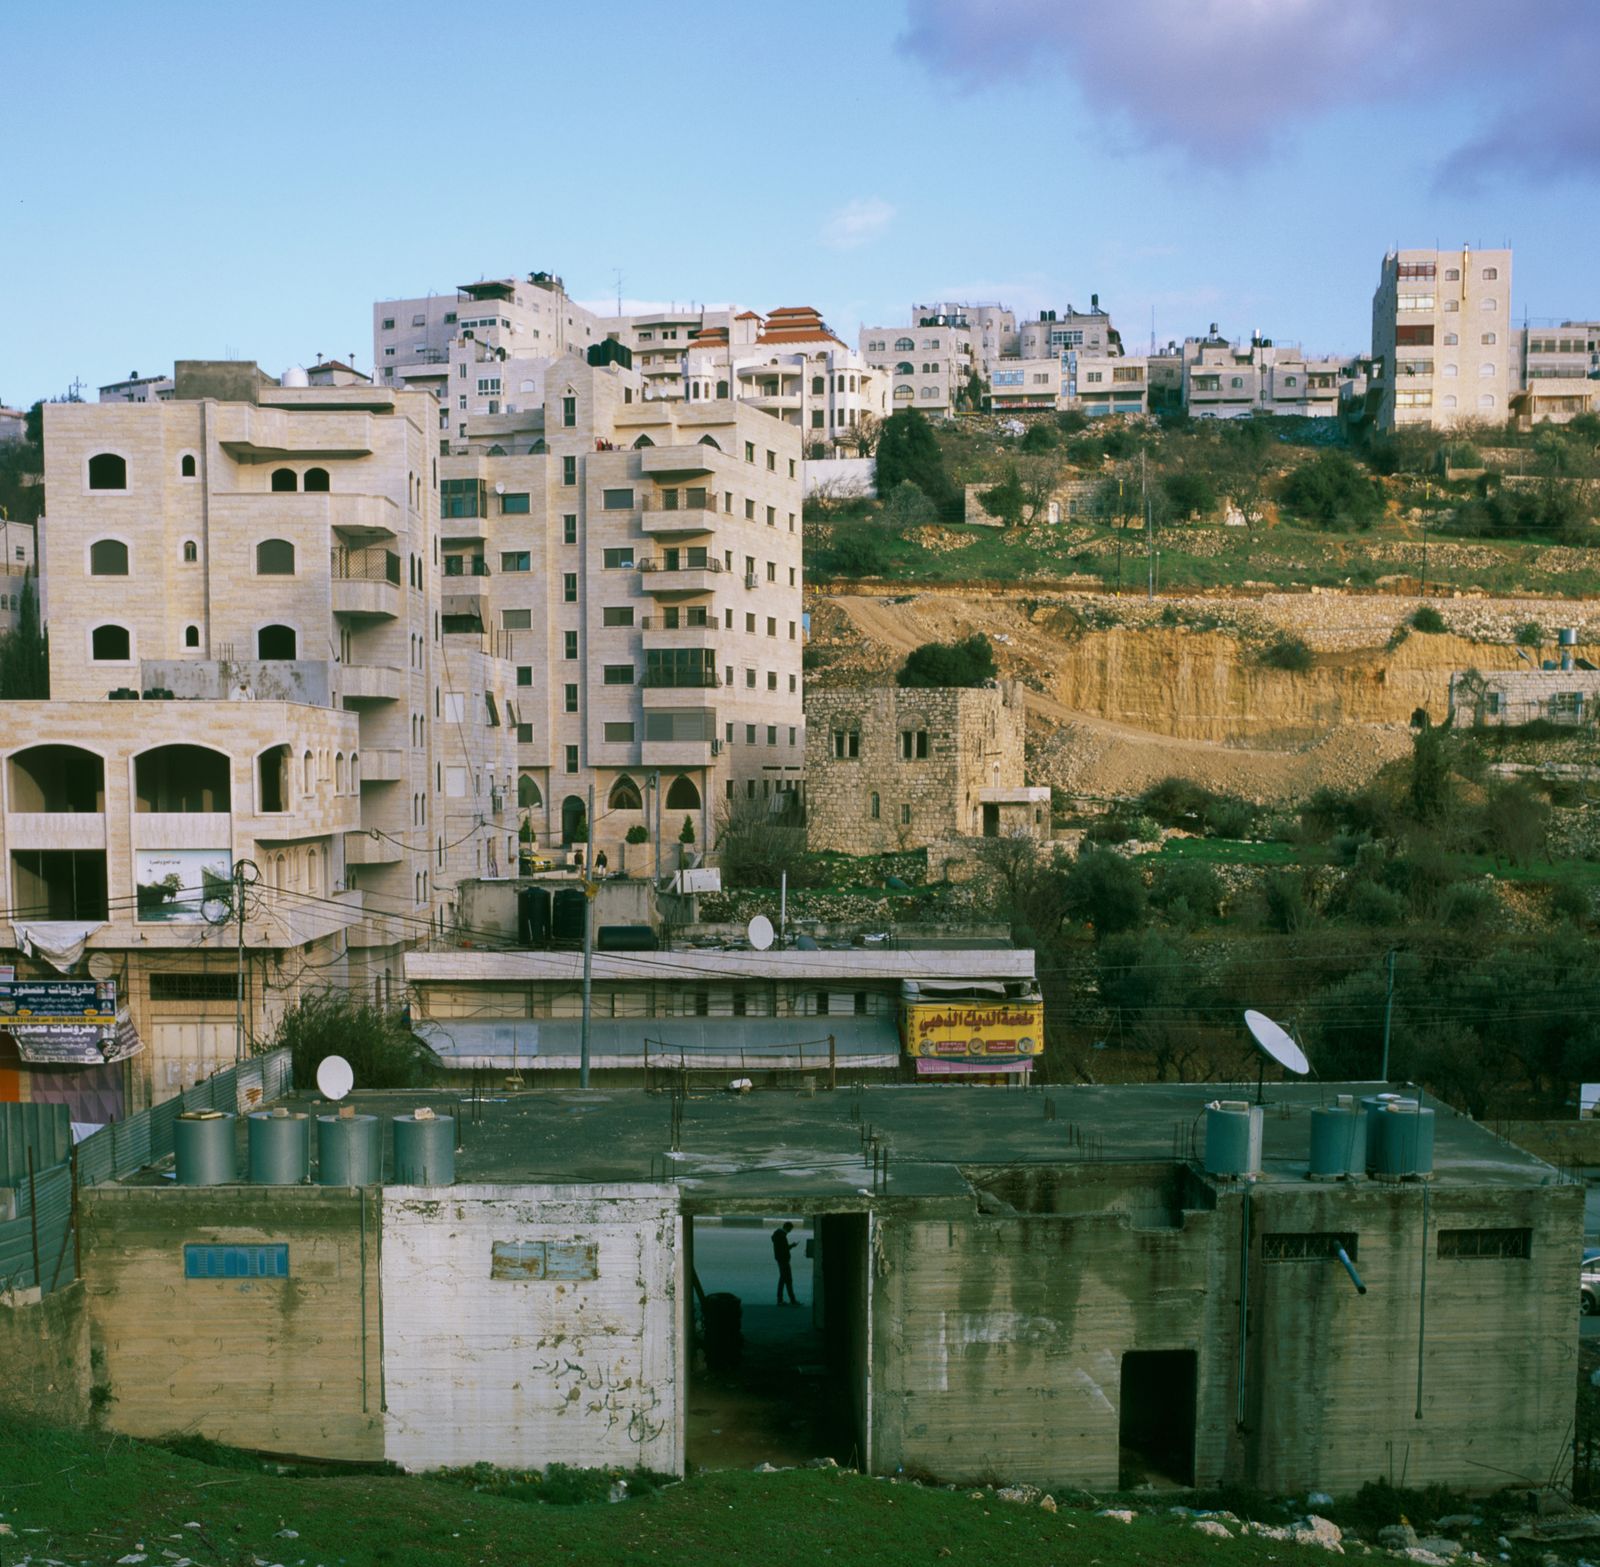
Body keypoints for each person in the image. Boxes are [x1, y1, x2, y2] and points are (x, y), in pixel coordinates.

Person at [771, 1221, 798, 1306]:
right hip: (784, 1261)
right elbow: (784, 1249)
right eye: (790, 1229)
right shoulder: (782, 1236)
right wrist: (792, 1246)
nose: (790, 1231)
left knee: (782, 1280)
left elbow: (781, 1248)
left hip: (780, 1260)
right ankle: (792, 1300)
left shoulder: (777, 1235)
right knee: (788, 1280)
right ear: (787, 1227)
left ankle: (780, 1300)